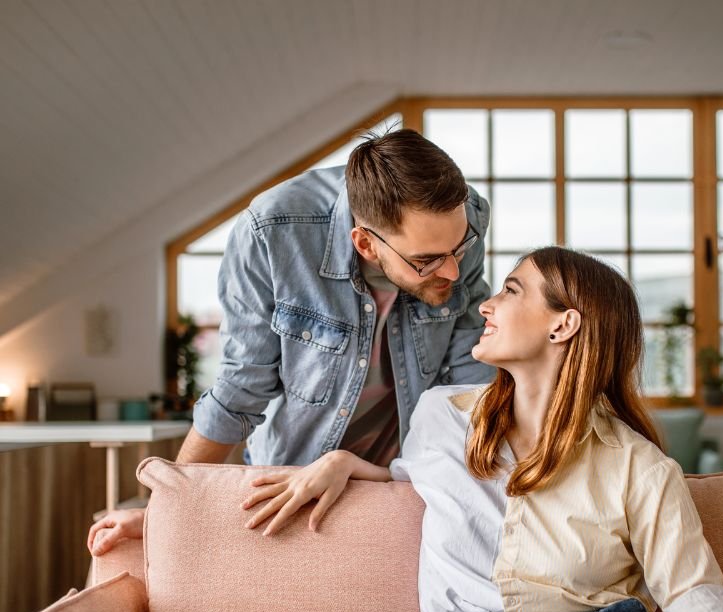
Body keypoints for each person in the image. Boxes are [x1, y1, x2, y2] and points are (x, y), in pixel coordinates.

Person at [238, 246, 723, 612]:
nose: (485, 305)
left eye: (511, 291)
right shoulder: (440, 416)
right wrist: (341, 463)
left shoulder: (639, 466)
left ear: (562, 326)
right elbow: (418, 486)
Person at [88, 128, 494, 557]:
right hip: (290, 480)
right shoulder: (273, 232)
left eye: (461, 248)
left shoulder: (460, 218)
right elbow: (240, 392)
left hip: (404, 482)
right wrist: (163, 513)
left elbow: (470, 392)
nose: (451, 272)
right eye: (427, 261)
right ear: (366, 244)